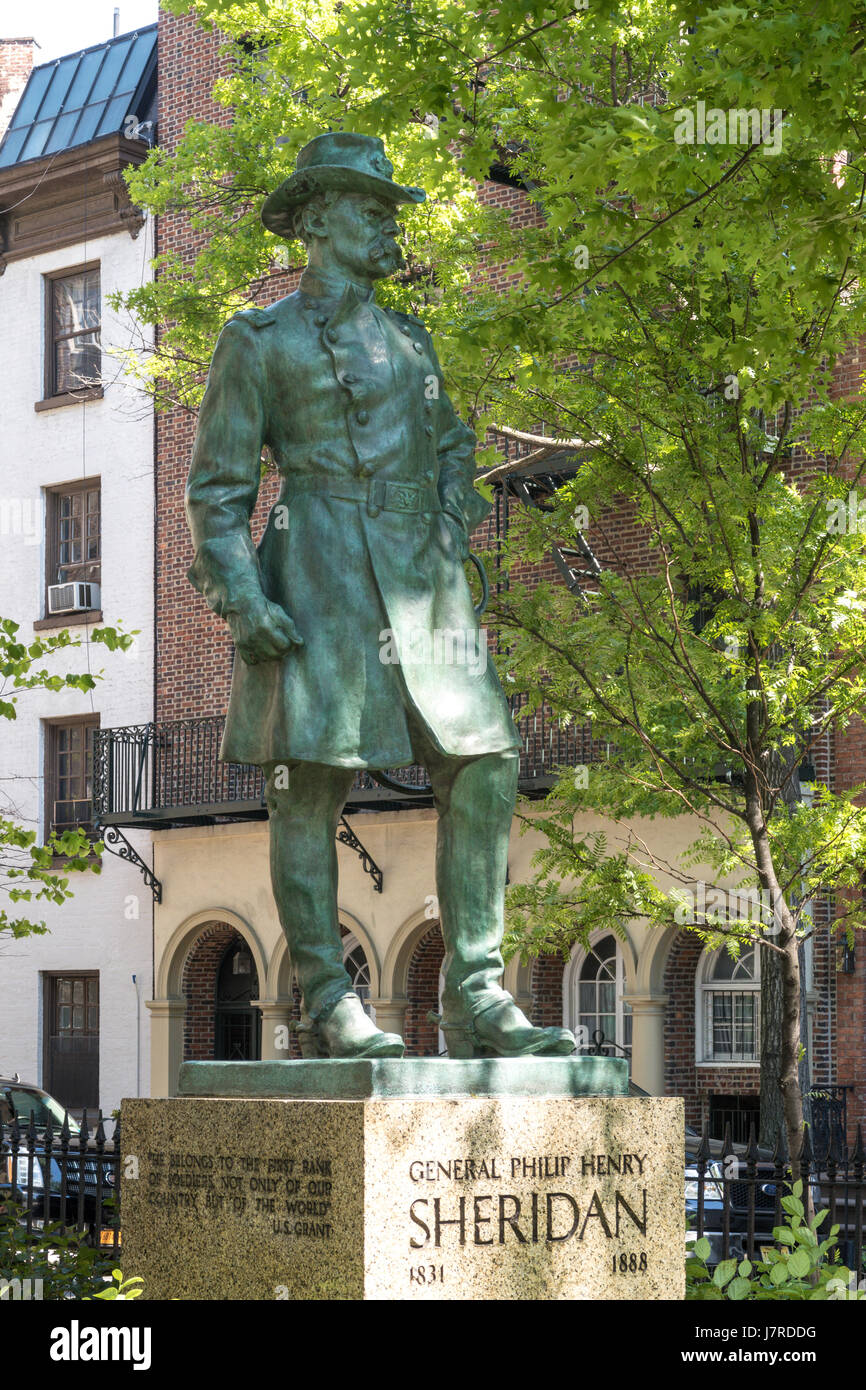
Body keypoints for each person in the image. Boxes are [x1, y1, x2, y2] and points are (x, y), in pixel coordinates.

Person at [186, 132, 575, 1060]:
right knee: (308, 782)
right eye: (371, 208)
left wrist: (446, 518)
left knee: (483, 759)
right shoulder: (258, 340)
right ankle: (326, 996)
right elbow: (217, 489)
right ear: (318, 219)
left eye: (391, 211)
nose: (388, 227)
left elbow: (452, 442)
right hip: (315, 564)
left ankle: (474, 993)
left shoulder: (411, 338)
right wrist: (241, 597)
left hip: (419, 580)